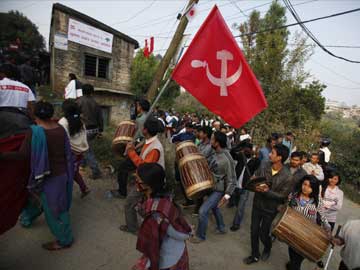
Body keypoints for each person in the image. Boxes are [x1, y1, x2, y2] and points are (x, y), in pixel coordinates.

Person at [0, 101, 74, 250]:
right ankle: (27, 219)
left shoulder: (35, 131)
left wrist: (2, 155)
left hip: (49, 178)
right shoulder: (59, 128)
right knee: (53, 204)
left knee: (54, 211)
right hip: (63, 174)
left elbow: (22, 155)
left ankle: (64, 241)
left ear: (34, 115)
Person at [133, 163, 192, 270]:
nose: (135, 182)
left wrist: (189, 232)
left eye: (137, 179)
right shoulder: (164, 196)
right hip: (173, 250)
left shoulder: (157, 214)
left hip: (168, 257)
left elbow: (179, 234)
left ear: (146, 184)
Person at [244, 144, 292, 264]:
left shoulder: (287, 176)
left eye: (273, 153)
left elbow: (283, 196)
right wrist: (255, 185)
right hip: (257, 204)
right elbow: (254, 180)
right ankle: (255, 254)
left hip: (270, 210)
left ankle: (267, 247)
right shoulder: (264, 165)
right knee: (253, 231)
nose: (270, 154)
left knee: (263, 234)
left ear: (280, 157)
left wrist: (267, 192)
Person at [120, 117, 165, 234]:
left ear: (145, 130)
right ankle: (143, 226)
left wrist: (131, 152)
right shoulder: (150, 141)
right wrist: (134, 147)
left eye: (143, 128)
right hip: (146, 181)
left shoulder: (155, 148)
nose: (142, 129)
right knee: (141, 205)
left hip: (148, 183)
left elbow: (144, 167)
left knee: (130, 203)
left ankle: (134, 228)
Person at [191, 131, 237, 243]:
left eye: (212, 139)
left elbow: (232, 179)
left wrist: (227, 195)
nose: (210, 141)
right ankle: (221, 227)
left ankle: (200, 236)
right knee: (215, 207)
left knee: (203, 211)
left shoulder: (226, 158)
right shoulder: (215, 152)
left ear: (217, 143)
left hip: (218, 190)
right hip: (211, 186)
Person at [286, 175, 331, 270]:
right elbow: (286, 210)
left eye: (309, 186)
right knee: (292, 255)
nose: (305, 188)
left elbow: (323, 218)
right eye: (304, 184)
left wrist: (328, 232)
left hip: (307, 237)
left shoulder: (317, 202)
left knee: (297, 260)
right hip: (292, 233)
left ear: (314, 189)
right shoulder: (293, 196)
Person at [113, 99, 150, 198]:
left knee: (122, 169)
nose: (136, 108)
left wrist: (133, 148)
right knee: (126, 168)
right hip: (139, 149)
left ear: (141, 107)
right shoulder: (143, 117)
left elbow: (145, 139)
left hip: (139, 150)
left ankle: (122, 192)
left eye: (137, 106)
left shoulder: (142, 119)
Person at [58, 100, 90, 198]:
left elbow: (63, 140)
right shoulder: (80, 121)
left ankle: (64, 195)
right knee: (74, 171)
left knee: (66, 173)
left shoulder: (63, 122)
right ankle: (84, 188)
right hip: (79, 153)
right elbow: (84, 137)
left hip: (69, 153)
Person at [229, 140, 260, 231]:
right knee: (236, 201)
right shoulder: (240, 156)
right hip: (236, 185)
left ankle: (236, 224)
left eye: (248, 150)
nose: (246, 151)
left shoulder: (255, 161)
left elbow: (258, 169)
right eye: (244, 150)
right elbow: (232, 152)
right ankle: (232, 202)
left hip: (245, 187)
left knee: (240, 207)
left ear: (251, 150)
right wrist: (240, 144)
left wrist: (256, 155)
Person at [0, 63, 35, 139]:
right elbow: (31, 109)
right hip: (22, 121)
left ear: (2, 73)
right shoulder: (25, 87)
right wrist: (34, 123)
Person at [77, 84, 103, 179]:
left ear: (82, 91)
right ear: (92, 92)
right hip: (95, 129)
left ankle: (96, 171)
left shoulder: (79, 102)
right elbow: (100, 118)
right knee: (86, 147)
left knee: (87, 151)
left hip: (85, 129)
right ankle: (82, 164)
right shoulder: (96, 103)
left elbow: (75, 115)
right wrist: (100, 130)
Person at [193, 126, 214, 216]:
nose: (199, 134)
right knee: (200, 191)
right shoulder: (200, 143)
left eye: (201, 132)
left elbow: (202, 156)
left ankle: (212, 208)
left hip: (207, 170)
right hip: (199, 169)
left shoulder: (210, 146)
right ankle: (199, 208)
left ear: (205, 134)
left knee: (208, 191)